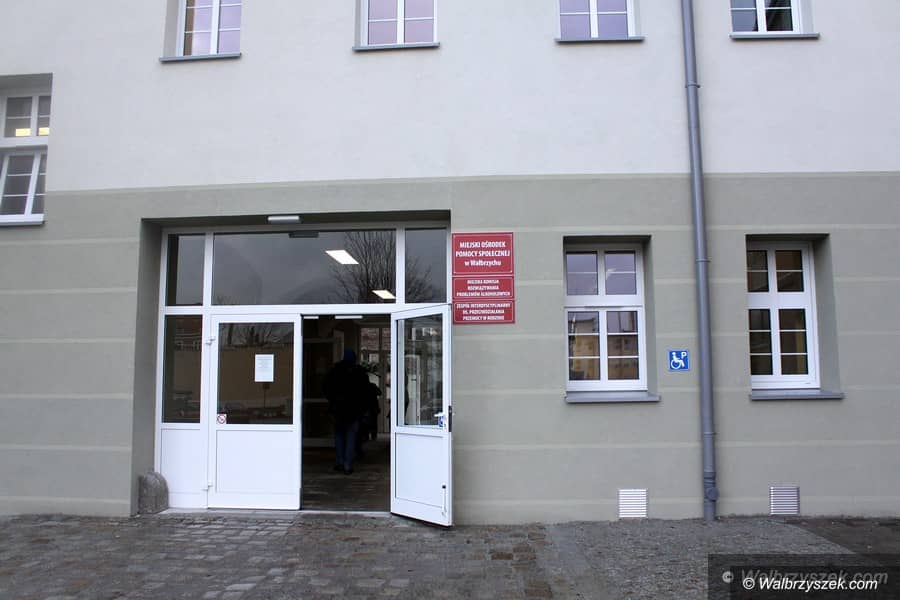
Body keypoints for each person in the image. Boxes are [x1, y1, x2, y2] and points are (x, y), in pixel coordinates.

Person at [323, 349, 369, 475]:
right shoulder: (359, 372)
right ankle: (348, 465)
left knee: (339, 436)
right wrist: (363, 410)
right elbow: (365, 392)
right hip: (354, 411)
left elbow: (326, 388)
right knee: (351, 437)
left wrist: (333, 401)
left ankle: (339, 461)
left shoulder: (335, 371)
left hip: (338, 410)